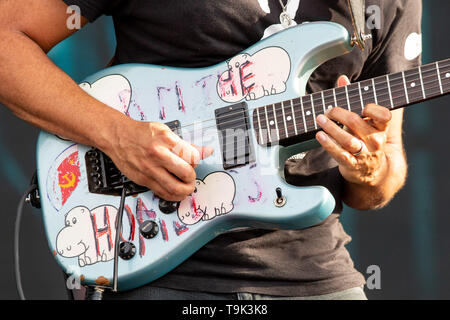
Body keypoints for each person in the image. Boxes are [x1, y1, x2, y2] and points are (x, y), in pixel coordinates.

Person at [0, 0, 422, 300]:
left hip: (315, 273)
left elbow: (386, 168)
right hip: (156, 267)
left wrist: (369, 168)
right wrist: (118, 135)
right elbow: (7, 40)